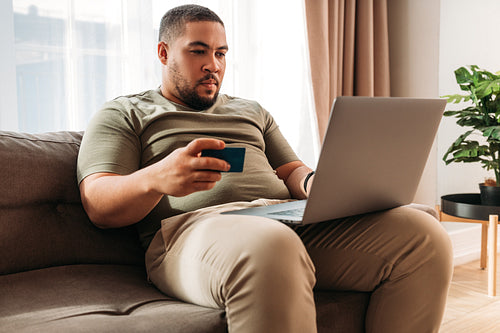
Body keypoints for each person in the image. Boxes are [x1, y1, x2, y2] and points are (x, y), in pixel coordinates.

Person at [77, 4, 453, 333]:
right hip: (191, 232)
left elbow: (291, 170)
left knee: (423, 234)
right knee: (271, 244)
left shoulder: (251, 111)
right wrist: (157, 178)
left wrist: (319, 185)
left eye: (222, 53)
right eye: (198, 51)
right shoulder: (125, 113)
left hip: (283, 220)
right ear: (163, 52)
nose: (214, 65)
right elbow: (98, 202)